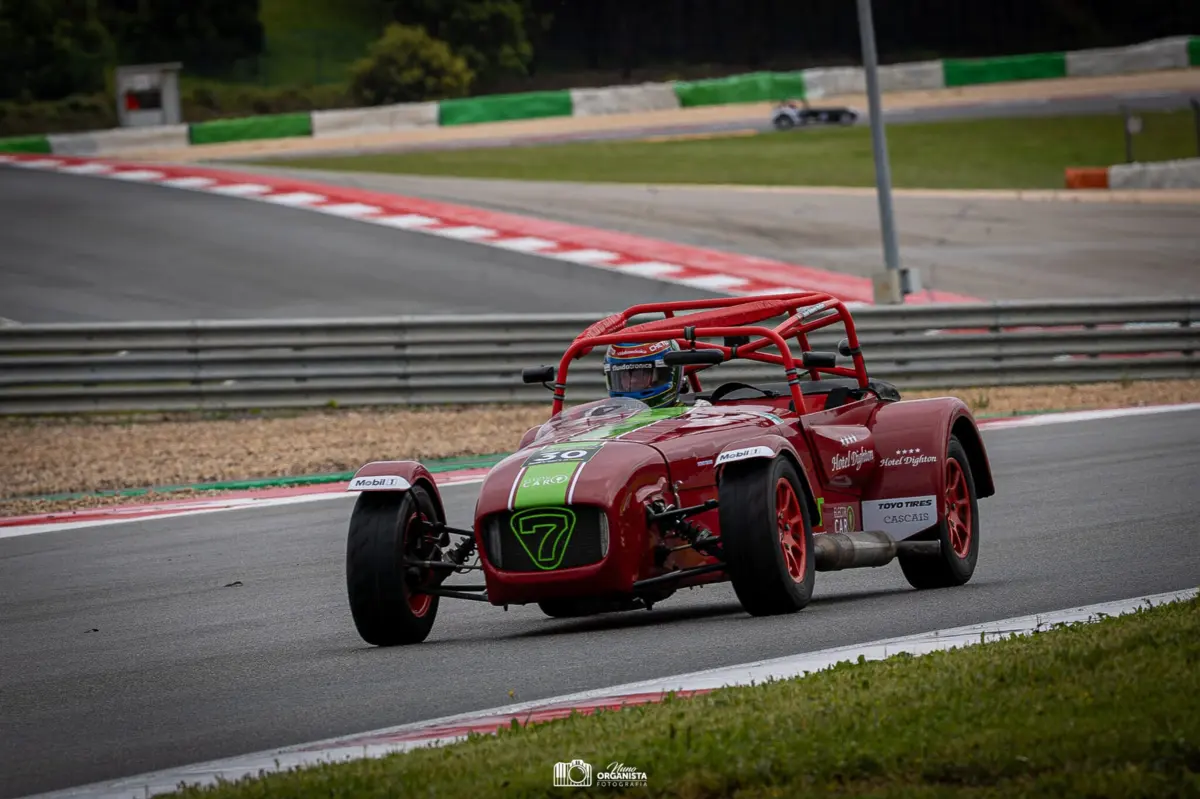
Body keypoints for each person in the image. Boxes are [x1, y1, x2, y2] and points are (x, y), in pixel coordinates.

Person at [603, 340, 687, 408]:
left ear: (662, 376)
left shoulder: (686, 419)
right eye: (625, 375)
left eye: (639, 374)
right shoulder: (610, 418)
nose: (632, 381)